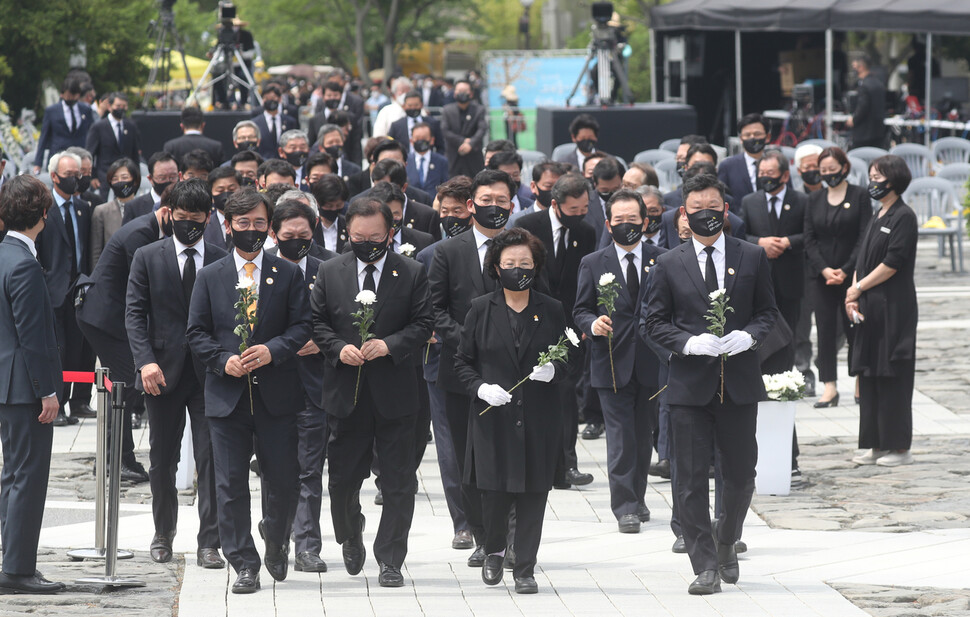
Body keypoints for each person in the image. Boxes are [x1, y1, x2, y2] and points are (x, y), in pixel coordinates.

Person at [644, 173, 779, 595]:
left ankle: (725, 540)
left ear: (726, 210)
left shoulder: (752, 256)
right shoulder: (668, 262)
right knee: (688, 480)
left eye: (714, 208)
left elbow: (768, 312)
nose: (707, 215)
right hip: (688, 387)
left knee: (741, 474)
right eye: (697, 209)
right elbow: (652, 322)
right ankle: (703, 564)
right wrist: (687, 343)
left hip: (738, 384)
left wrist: (751, 336)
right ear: (684, 213)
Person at [186, 188, 311, 593]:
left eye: (259, 223)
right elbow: (196, 333)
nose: (252, 230)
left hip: (276, 395)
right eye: (243, 224)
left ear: (270, 227)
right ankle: (244, 561)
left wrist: (273, 350)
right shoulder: (210, 276)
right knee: (230, 482)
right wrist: (223, 359)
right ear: (228, 226)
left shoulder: (288, 273)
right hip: (227, 396)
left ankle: (276, 539)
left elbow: (301, 327)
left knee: (284, 479)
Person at [310, 196, 433, 588]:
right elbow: (316, 322)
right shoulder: (330, 271)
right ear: (347, 233)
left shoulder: (411, 272)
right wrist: (336, 348)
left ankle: (391, 557)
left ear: (390, 233)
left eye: (375, 237)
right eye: (358, 237)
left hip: (397, 393)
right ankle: (350, 532)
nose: (367, 243)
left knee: (399, 481)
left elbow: (423, 321)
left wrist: (391, 344)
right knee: (343, 480)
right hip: (346, 394)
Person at [453, 227, 569, 595]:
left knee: (534, 494)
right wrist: (481, 388)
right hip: (494, 419)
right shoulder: (480, 309)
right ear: (496, 267)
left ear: (536, 267)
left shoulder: (551, 309)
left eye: (525, 263)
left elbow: (570, 357)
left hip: (539, 418)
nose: (517, 269)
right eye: (510, 263)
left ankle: (525, 567)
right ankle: (495, 548)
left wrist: (555, 370)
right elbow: (462, 363)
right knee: (496, 494)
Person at [125, 179, 225, 567]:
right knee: (161, 459)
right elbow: (134, 314)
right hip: (161, 373)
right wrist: (145, 360)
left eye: (196, 220)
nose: (189, 226)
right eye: (182, 218)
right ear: (169, 215)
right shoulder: (148, 256)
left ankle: (209, 542)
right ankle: (162, 533)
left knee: (212, 458)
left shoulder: (220, 257)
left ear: (208, 218)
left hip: (208, 375)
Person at [429, 169, 515, 568]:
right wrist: (468, 339)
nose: (493, 207)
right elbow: (434, 308)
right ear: (470, 205)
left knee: (512, 456)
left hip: (514, 372)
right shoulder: (449, 251)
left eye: (501, 201)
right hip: (461, 372)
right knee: (469, 459)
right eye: (486, 200)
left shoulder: (524, 247)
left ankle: (512, 537)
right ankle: (482, 535)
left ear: (512, 205)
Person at [574, 189, 665, 533]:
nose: (627, 226)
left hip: (652, 361)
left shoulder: (663, 258)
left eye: (633, 220)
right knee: (621, 435)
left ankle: (638, 497)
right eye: (619, 220)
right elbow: (580, 308)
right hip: (610, 361)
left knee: (644, 434)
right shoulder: (594, 262)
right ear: (609, 225)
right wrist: (592, 323)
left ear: (645, 221)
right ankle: (624, 505)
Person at [77, 187, 177, 484]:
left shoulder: (152, 229)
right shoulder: (141, 232)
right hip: (102, 316)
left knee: (124, 386)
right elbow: (145, 287)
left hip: (111, 315)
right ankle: (112, 460)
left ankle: (118, 457)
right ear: (167, 211)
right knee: (123, 385)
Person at [0, 175, 66, 595]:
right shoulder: (22, 263)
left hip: (8, 385)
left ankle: (12, 559)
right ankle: (18, 567)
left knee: (13, 475)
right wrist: (47, 390)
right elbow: (34, 337)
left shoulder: (5, 255)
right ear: (43, 214)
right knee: (27, 476)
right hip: (25, 388)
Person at [515, 173, 596, 488]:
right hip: (532, 320)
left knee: (566, 396)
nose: (580, 215)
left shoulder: (586, 232)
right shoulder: (529, 226)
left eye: (584, 208)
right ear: (556, 204)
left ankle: (567, 465)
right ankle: (534, 463)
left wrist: (584, 320)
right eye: (573, 210)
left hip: (571, 327)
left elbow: (584, 277)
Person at [266, 199, 335, 573]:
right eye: (288, 236)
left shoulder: (329, 270)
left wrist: (321, 341)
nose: (297, 242)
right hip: (270, 382)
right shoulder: (258, 270)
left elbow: (341, 322)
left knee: (310, 467)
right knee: (275, 467)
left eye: (304, 236)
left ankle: (307, 544)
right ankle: (274, 534)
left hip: (313, 382)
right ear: (274, 234)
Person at [414, 176, 474, 549]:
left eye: (457, 210)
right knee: (450, 448)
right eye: (444, 211)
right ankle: (462, 522)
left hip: (492, 363)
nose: (450, 217)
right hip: (442, 362)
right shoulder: (427, 256)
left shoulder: (500, 251)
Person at [846, 155, 917, 467]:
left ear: (894, 180)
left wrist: (859, 288)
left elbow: (892, 263)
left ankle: (899, 447)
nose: (872, 182)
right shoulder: (878, 214)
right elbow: (863, 258)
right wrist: (853, 292)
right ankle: (874, 443)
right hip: (869, 307)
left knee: (892, 373)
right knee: (870, 373)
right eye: (871, 176)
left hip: (894, 306)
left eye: (878, 177)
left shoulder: (904, 216)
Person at [805, 147, 872, 408]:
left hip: (851, 274)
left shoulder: (860, 195)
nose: (828, 175)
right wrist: (823, 269)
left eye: (833, 170)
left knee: (853, 328)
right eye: (823, 171)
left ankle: (859, 380)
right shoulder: (814, 199)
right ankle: (829, 386)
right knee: (824, 331)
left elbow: (864, 236)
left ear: (844, 168)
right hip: (821, 276)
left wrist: (845, 269)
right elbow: (809, 239)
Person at [36, 151, 93, 426]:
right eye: (69, 175)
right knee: (56, 349)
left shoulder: (84, 208)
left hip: (78, 289)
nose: (75, 179)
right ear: (55, 176)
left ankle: (77, 402)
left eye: (78, 175)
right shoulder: (44, 209)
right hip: (52, 289)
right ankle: (55, 406)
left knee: (77, 348)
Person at [740, 149, 807, 374]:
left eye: (770, 172)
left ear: (785, 176)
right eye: (762, 172)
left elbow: (811, 234)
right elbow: (741, 235)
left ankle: (791, 374)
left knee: (792, 329)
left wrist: (788, 242)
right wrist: (760, 242)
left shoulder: (802, 200)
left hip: (791, 278)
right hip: (760, 278)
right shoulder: (750, 201)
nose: (765, 177)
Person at [32, 75, 95, 173]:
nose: (71, 98)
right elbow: (43, 137)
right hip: (58, 155)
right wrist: (38, 163)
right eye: (69, 95)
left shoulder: (86, 110)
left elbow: (92, 133)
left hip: (80, 156)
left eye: (75, 96)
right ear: (62, 94)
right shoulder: (52, 111)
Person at [84, 92, 141, 198]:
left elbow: (135, 155)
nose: (121, 109)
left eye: (124, 106)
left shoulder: (130, 126)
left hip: (127, 178)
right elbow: (89, 154)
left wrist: (136, 176)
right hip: (105, 178)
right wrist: (93, 176)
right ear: (110, 107)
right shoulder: (98, 127)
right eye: (118, 106)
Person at [90, 158, 140, 268]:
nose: (120, 182)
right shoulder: (101, 211)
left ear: (135, 180)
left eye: (124, 177)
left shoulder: (145, 207)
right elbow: (96, 252)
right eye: (115, 179)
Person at [441, 80, 488, 178]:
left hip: (473, 156)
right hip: (453, 156)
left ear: (471, 94)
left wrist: (470, 144)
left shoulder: (479, 110)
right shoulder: (447, 110)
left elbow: (482, 128)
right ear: (454, 93)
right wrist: (462, 141)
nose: (461, 93)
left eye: (464, 90)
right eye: (459, 90)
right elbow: (445, 130)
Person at [718, 113, 769, 202]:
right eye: (747, 135)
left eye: (757, 134)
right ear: (741, 139)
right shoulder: (727, 166)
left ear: (767, 137)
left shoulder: (777, 163)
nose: (752, 138)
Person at [121, 152, 182, 225]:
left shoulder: (187, 203)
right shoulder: (134, 207)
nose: (168, 181)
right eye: (162, 178)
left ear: (180, 176)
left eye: (172, 177)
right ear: (150, 179)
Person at [846, 55, 887, 149]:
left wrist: (854, 120)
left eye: (855, 67)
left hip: (864, 133)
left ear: (861, 67)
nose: (854, 70)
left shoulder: (864, 86)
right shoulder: (879, 83)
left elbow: (863, 106)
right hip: (878, 132)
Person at [388, 90, 445, 154]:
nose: (413, 108)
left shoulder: (433, 123)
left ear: (421, 105)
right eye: (410, 105)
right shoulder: (396, 126)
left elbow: (441, 147)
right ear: (404, 106)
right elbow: (390, 147)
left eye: (416, 105)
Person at [252, 85, 299, 161]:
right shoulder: (255, 123)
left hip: (284, 163)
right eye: (266, 98)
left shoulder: (290, 121)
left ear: (279, 99)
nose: (270, 100)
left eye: (273, 98)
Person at [310, 174, 350, 253]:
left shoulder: (348, 225)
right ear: (318, 202)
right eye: (329, 206)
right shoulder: (310, 226)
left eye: (338, 205)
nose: (334, 209)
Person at [407, 123, 449, 196]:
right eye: (417, 139)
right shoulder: (405, 160)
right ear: (411, 141)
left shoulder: (441, 161)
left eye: (424, 138)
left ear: (432, 140)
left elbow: (445, 187)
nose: (420, 141)